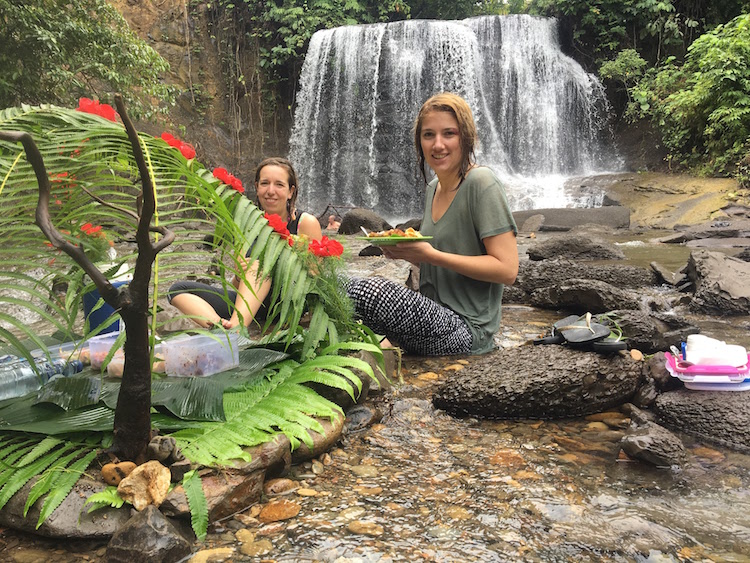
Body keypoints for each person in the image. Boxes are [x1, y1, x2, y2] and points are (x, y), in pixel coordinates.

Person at [346, 92, 518, 355]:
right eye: (428, 135)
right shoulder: (434, 188)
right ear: (420, 142)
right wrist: (408, 254)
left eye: (449, 133)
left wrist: (432, 256)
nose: (438, 144)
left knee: (373, 293)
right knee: (339, 284)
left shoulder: (481, 182)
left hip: (466, 330)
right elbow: (437, 261)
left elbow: (507, 270)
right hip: (430, 318)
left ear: (466, 137)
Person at [169, 157, 322, 329]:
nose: (271, 191)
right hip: (255, 306)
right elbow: (237, 284)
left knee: (260, 266)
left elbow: (315, 279)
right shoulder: (247, 224)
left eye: (279, 184)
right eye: (265, 183)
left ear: (290, 191)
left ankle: (235, 327)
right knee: (178, 289)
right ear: (257, 188)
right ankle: (221, 327)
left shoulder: (305, 223)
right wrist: (239, 274)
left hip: (288, 304)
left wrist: (278, 264)